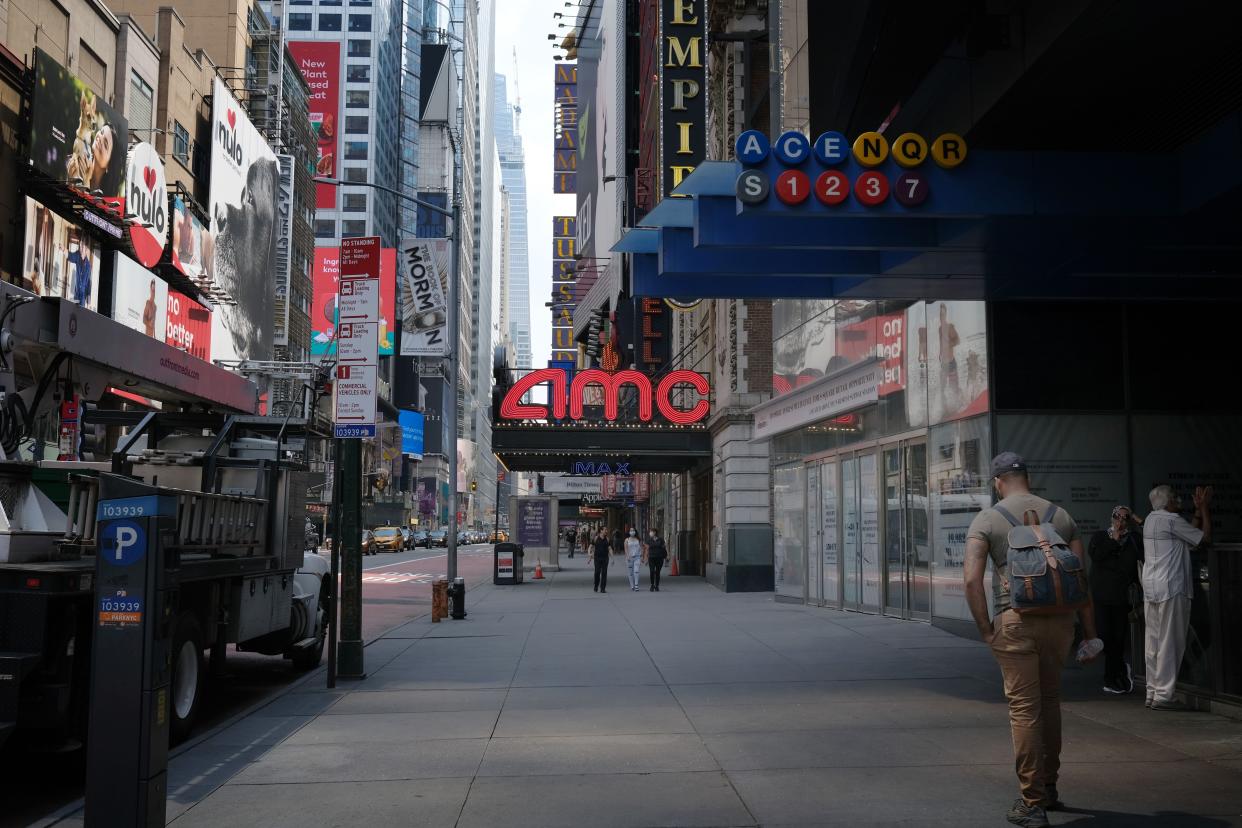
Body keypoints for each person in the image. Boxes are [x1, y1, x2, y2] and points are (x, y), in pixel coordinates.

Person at [963, 452, 1099, 827]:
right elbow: (1081, 581)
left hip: (1015, 620)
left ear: (997, 481)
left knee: (1024, 708)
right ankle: (1050, 787)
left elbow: (972, 580)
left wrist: (986, 630)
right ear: (1027, 477)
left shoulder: (988, 519)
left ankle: (1032, 801)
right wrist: (1090, 634)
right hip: (1060, 624)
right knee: (1051, 701)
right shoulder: (1062, 516)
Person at [1141, 484, 1211, 711]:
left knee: (1152, 642)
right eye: (1175, 498)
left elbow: (1186, 534)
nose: (1179, 501)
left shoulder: (1151, 519)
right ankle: (1164, 695)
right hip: (1172, 588)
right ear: (1168, 502)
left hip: (1151, 587)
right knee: (1170, 642)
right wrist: (1205, 509)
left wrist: (1198, 512)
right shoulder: (1172, 521)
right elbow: (1204, 539)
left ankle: (1152, 691)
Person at [1088, 505, 1143, 694]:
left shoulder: (1134, 539)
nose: (1120, 520)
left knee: (1119, 638)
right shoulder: (1100, 537)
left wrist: (1139, 521)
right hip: (1102, 595)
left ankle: (1112, 678)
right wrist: (1115, 540)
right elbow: (1096, 556)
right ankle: (1118, 669)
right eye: (1117, 516)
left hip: (1121, 595)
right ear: (1111, 517)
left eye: (1125, 517)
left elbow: (1147, 551)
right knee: (1105, 636)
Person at [591, 529, 610, 593]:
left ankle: (603, 588)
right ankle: (596, 585)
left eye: (606, 530)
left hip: (605, 558)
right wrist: (589, 553)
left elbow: (609, 548)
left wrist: (613, 558)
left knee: (604, 573)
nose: (606, 531)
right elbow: (591, 546)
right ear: (601, 531)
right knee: (597, 572)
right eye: (605, 530)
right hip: (597, 558)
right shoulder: (596, 538)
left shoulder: (607, 539)